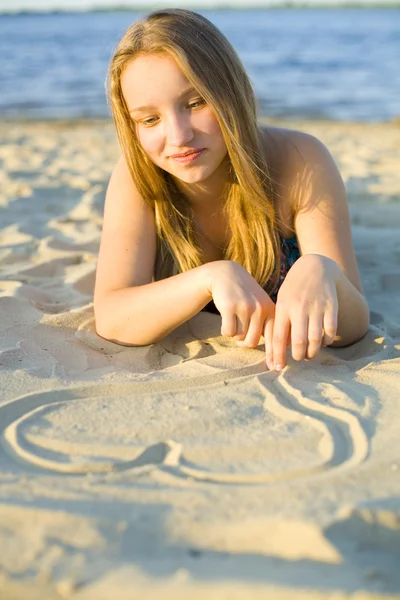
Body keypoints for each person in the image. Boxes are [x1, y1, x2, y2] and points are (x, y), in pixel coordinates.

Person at [93, 8, 369, 372]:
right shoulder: (138, 178)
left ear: (230, 93)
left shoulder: (301, 160)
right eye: (150, 119)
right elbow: (112, 317)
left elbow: (354, 327)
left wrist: (323, 271)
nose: (178, 136)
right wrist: (210, 277)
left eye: (195, 103)